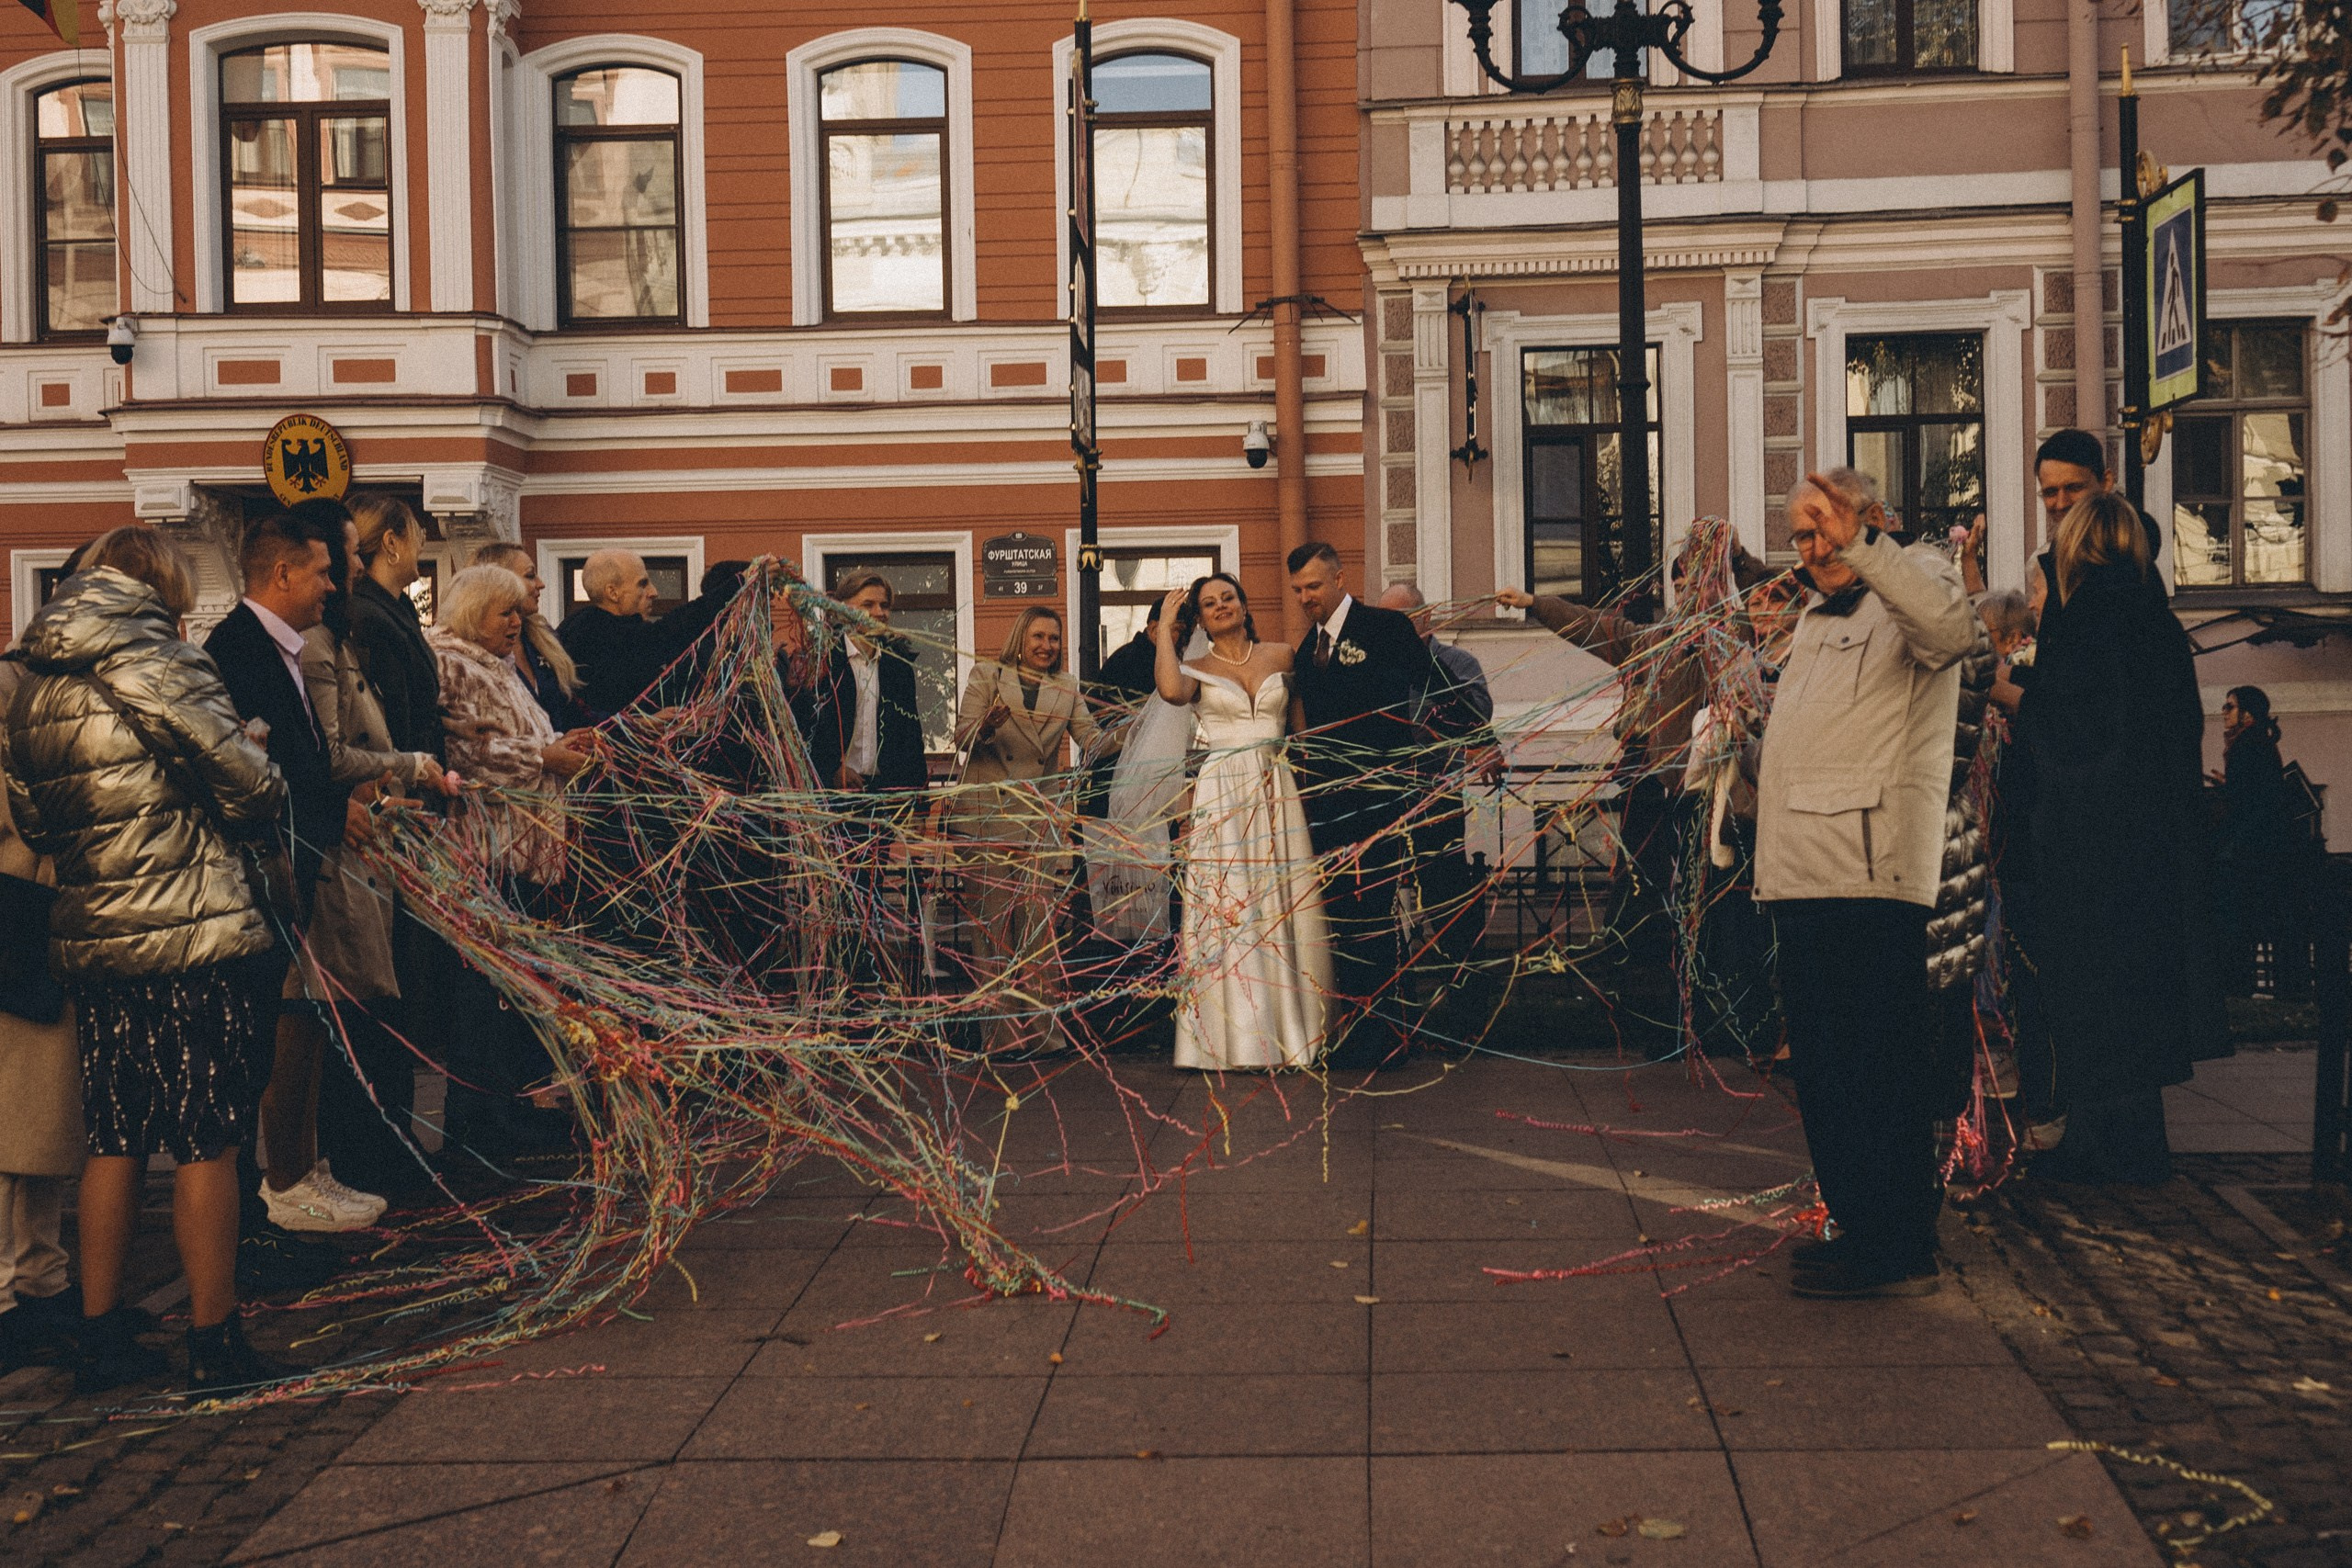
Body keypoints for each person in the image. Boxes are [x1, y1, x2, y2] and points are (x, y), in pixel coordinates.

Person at [3, 525, 296, 1390]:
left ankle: (99, 1335)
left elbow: (39, 824)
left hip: (95, 935)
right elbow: (250, 787)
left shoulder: (35, 684)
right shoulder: (164, 660)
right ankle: (214, 1336)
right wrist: (258, 751)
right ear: (161, 586)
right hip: (190, 929)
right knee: (207, 1134)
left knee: (116, 1133)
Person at [1755, 473, 1977, 1299]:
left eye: (1826, 533)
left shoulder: (1918, 577)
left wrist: (1863, 546)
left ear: (1870, 521)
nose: (1813, 552)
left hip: (1869, 869)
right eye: (1804, 539)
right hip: (1805, 870)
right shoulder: (1817, 616)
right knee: (1826, 1070)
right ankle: (1858, 1225)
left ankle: (1899, 1243)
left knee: (1879, 1068)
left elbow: (1951, 632)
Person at [2017, 492, 2225, 1185]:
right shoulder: (2157, 622)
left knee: (2091, 995)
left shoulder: (2082, 624)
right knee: (2142, 995)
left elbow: (2070, 727)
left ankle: (2096, 1148)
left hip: (2090, 842)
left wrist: (2017, 698)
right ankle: (2140, 1144)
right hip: (2156, 838)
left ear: (2075, 548)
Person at [207, 507, 387, 1238]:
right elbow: (259, 768)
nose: (331, 585)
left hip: (301, 862)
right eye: (320, 571)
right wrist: (326, 803)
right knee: (288, 1025)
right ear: (282, 573)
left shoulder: (283, 643)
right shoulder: (240, 649)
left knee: (310, 1021)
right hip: (270, 871)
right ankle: (284, 1182)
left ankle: (303, 1171)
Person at [303, 520, 458, 1201]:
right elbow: (325, 752)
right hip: (353, 836)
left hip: (383, 827)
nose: (346, 573)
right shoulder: (336, 633)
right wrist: (411, 765)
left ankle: (384, 1146)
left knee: (388, 993)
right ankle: (365, 1154)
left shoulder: (355, 625)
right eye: (336, 558)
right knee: (366, 1001)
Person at [428, 565, 596, 1157]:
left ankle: (504, 1115)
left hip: (524, 853)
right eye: (506, 613)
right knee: (483, 1000)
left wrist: (562, 744)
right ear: (474, 612)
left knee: (510, 996)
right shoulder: (446, 660)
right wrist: (543, 757)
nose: (517, 624)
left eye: (519, 613)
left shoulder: (492, 663)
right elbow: (459, 752)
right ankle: (476, 1132)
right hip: (486, 853)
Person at [1153, 573, 1332, 1069]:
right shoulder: (1195, 667)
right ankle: (1234, 1037)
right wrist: (1168, 626)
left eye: (1227, 597)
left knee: (1281, 899)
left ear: (1244, 602)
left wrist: (1309, 779)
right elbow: (1169, 690)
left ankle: (1292, 1030)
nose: (1220, 607)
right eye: (1209, 604)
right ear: (1202, 619)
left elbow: (1299, 727)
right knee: (1232, 902)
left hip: (1277, 786)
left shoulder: (1280, 655)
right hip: (1222, 792)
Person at [1285, 543, 1443, 1065]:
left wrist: (1477, 739)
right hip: (1328, 807)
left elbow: (1433, 686)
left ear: (1338, 577)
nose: (1306, 597)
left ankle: (1383, 1035)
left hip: (1379, 797)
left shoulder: (1385, 627)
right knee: (1341, 915)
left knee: (1375, 910)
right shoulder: (1308, 650)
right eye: (1298, 591)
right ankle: (1355, 1026)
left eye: (1313, 586)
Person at [945, 607, 1099, 1054]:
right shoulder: (987, 675)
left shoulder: (1066, 687)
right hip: (987, 820)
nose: (1047, 646)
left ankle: (1044, 1036)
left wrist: (1142, 729)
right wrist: (986, 725)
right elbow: (963, 738)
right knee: (993, 933)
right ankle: (1000, 1038)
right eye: (1038, 636)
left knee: (1038, 931)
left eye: (1054, 638)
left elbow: (1092, 739)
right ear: (1020, 637)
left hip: (1039, 823)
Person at [0, 576, 85, 1375]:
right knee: (11, 1116)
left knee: (47, 1113)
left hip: (46, 907)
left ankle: (41, 1272)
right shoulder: (13, 687)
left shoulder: (46, 688)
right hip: (16, 909)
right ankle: (10, 1287)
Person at [1375, 582, 1494, 1003]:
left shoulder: (1456, 662)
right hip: (1383, 795)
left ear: (1424, 618)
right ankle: (1394, 989)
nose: (1390, 629)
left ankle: (1458, 992)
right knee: (1383, 893)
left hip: (1436, 795)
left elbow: (1478, 717)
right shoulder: (1375, 666)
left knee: (1443, 892)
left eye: (1399, 620)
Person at [555, 547, 736, 720]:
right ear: (613, 592)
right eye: (642, 584)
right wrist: (737, 585)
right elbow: (669, 632)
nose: (654, 592)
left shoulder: (582, 626)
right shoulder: (597, 633)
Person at [2211, 686, 2304, 998]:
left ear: (2247, 714)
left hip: (2250, 851)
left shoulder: (2245, 745)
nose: (2223, 711)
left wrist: (2229, 793)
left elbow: (2249, 803)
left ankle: (2236, 985)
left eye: (2230, 706)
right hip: (2264, 848)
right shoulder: (2257, 743)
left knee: (2236, 921)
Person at [345, 494, 442, 759]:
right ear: (391, 542)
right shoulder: (368, 617)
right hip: (403, 780)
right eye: (416, 533)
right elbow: (393, 720)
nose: (421, 545)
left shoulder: (400, 607)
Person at [471, 542, 588, 733]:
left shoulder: (542, 638)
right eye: (530, 576)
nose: (541, 584)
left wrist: (631, 724)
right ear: (499, 580)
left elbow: (572, 710)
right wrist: (544, 756)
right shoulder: (472, 653)